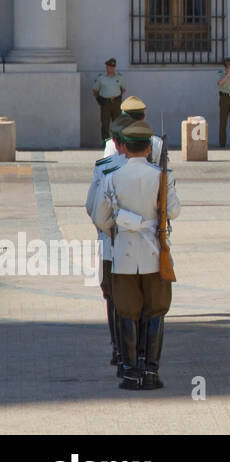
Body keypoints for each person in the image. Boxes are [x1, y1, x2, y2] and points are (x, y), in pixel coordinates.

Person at [90, 119, 181, 391]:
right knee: (155, 312)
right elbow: (174, 212)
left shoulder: (111, 177)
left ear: (125, 148)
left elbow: (100, 217)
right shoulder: (161, 175)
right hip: (155, 253)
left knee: (128, 312)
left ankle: (130, 373)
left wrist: (123, 227)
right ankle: (151, 371)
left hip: (124, 254)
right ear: (148, 148)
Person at [86, 115, 132, 375]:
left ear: (114, 142)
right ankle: (140, 358)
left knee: (114, 299)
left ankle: (119, 350)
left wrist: (107, 232)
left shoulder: (103, 168)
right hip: (144, 249)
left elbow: (93, 208)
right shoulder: (153, 171)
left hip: (111, 246)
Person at [103, 96, 164, 160]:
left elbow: (106, 167)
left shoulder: (112, 143)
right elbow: (164, 169)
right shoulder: (157, 143)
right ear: (144, 118)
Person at [92, 58, 126, 143]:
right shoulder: (101, 78)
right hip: (105, 103)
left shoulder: (119, 78)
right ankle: (106, 143)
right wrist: (99, 98)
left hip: (116, 103)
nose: (111, 68)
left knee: (118, 123)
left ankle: (118, 143)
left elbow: (123, 89)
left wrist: (117, 97)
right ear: (106, 67)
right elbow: (95, 90)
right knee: (105, 124)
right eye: (109, 66)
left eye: (113, 67)